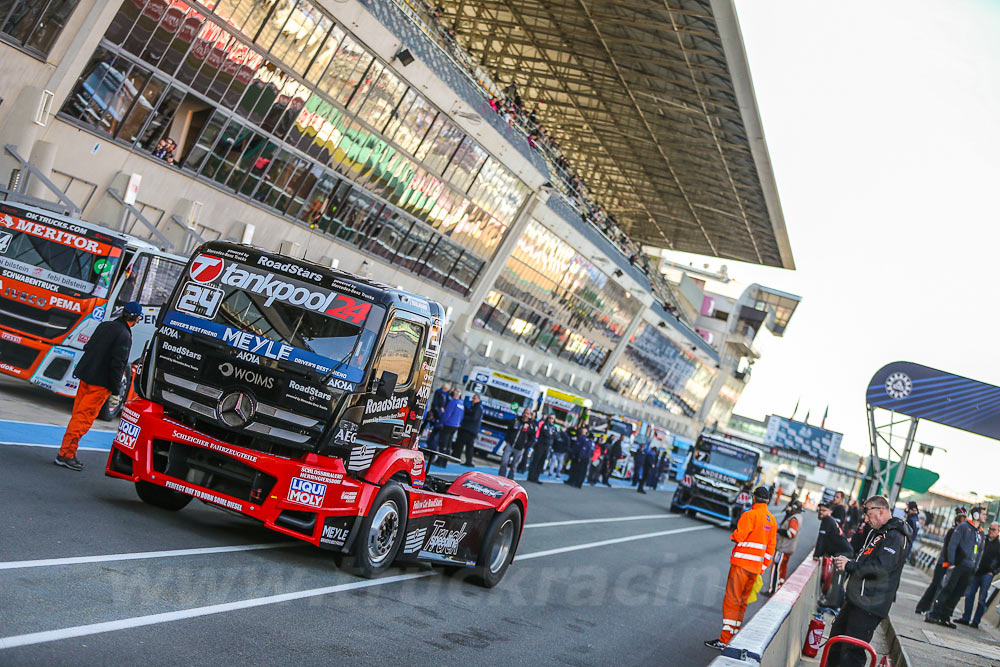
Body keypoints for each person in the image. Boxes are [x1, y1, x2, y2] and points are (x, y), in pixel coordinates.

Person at [55, 302, 142, 471]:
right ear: (136, 318)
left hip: (86, 376)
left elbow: (88, 346)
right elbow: (117, 364)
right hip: (100, 384)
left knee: (77, 415)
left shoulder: (105, 325)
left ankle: (66, 452)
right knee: (83, 419)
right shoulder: (125, 335)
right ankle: (66, 454)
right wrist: (117, 390)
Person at [829, 495, 912, 667]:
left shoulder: (896, 536)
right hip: (856, 598)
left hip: (870, 604)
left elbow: (880, 568)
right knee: (836, 641)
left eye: (868, 514)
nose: (866, 519)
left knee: (851, 652)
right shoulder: (878, 532)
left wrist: (850, 566)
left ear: (881, 510)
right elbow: (863, 558)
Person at [705, 486, 777, 650]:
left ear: (754, 498)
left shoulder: (749, 515)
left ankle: (724, 639)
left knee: (731, 601)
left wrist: (733, 535)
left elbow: (739, 536)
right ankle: (733, 635)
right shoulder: (772, 520)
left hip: (741, 566)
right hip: (755, 569)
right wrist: (762, 567)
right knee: (742, 603)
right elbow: (770, 549)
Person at [926, 505, 987, 627]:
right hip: (958, 565)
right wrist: (952, 563)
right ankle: (934, 613)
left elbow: (980, 551)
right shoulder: (963, 527)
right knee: (948, 589)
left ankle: (946, 616)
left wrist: (976, 566)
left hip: (969, 568)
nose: (985, 516)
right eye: (983, 514)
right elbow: (952, 545)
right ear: (976, 515)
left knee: (958, 593)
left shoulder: (980, 533)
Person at [915, 509, 967, 614]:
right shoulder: (953, 532)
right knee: (936, 585)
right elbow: (950, 548)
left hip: (947, 563)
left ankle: (925, 607)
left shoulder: (958, 533)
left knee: (938, 585)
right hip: (944, 563)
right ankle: (926, 607)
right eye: (963, 522)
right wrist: (951, 562)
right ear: (958, 523)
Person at [957, 521, 1000, 628]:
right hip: (976, 572)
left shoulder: (998, 546)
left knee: (982, 598)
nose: (990, 531)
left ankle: (976, 621)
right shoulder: (983, 540)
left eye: (993, 529)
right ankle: (966, 618)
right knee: (969, 595)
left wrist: (993, 572)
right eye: (989, 528)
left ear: (998, 532)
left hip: (987, 574)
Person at [814, 500, 854, 612]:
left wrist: (817, 555)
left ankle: (833, 605)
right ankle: (835, 603)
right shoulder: (829, 520)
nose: (821, 512)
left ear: (830, 512)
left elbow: (821, 539)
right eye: (820, 510)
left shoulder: (827, 520)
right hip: (842, 553)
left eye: (824, 510)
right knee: (837, 579)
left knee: (837, 579)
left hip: (844, 554)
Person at [766, 500, 803, 595]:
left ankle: (772, 590)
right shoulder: (797, 517)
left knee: (776, 568)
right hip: (788, 548)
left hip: (783, 548)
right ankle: (779, 586)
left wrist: (779, 530)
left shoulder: (794, 519)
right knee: (782, 568)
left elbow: (791, 533)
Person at [498, 408, 536, 479]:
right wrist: (508, 439)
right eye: (525, 413)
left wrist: (526, 446)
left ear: (530, 415)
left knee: (514, 466)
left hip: (520, 448)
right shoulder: (516, 420)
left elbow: (532, 438)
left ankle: (510, 479)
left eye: (527, 414)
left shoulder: (531, 426)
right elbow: (509, 429)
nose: (525, 415)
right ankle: (501, 477)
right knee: (504, 461)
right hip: (510, 444)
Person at [433, 389, 464, 468]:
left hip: (448, 424)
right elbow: (461, 416)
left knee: (443, 443)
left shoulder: (453, 402)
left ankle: (440, 461)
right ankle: (444, 462)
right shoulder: (461, 404)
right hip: (455, 426)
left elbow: (447, 414)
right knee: (448, 444)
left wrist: (442, 422)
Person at [455, 393, 483, 466]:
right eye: (473, 398)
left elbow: (474, 418)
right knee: (468, 446)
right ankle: (468, 461)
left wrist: (464, 417)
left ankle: (457, 458)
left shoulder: (478, 407)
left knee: (461, 444)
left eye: (474, 398)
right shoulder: (475, 407)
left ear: (479, 400)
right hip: (470, 430)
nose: (473, 400)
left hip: (469, 429)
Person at [528, 414, 556, 484]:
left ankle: (536, 478)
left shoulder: (553, 427)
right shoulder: (545, 425)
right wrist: (552, 434)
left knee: (541, 462)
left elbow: (556, 435)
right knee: (536, 461)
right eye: (550, 418)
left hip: (547, 447)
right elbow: (547, 434)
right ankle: (531, 477)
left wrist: (552, 434)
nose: (551, 419)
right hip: (540, 445)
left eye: (552, 418)